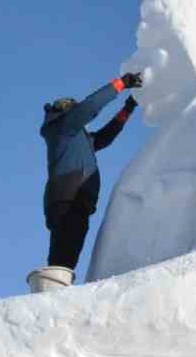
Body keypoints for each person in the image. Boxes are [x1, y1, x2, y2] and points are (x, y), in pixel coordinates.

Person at [33, 72, 144, 290]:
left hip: (76, 199)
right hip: (68, 198)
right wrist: (122, 83)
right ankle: (49, 291)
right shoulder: (63, 127)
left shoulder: (74, 138)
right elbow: (90, 107)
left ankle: (55, 288)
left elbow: (105, 137)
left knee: (68, 252)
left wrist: (128, 108)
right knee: (64, 253)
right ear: (65, 111)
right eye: (73, 109)